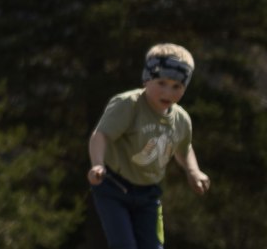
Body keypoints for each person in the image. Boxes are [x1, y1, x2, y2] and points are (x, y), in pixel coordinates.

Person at [86, 43, 211, 249]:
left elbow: (184, 148)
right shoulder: (128, 105)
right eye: (161, 82)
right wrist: (97, 165)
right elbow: (101, 136)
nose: (168, 92)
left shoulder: (181, 120)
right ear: (147, 79)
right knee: (124, 244)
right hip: (113, 186)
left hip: (148, 194)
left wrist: (194, 172)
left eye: (176, 86)